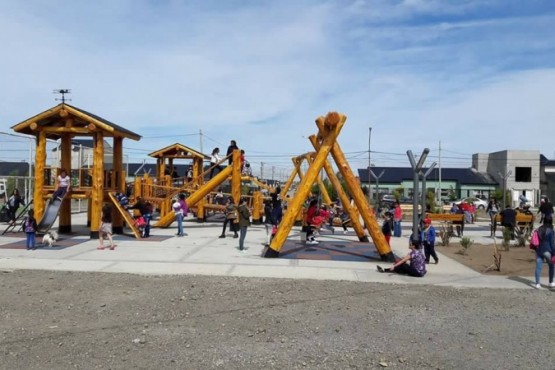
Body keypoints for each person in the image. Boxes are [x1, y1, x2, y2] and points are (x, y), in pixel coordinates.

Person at [533, 216, 555, 289]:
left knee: (538, 267)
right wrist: (554, 252)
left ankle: (537, 283)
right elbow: (552, 243)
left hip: (539, 249)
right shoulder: (551, 231)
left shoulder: (539, 229)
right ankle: (551, 282)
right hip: (548, 250)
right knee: (551, 266)